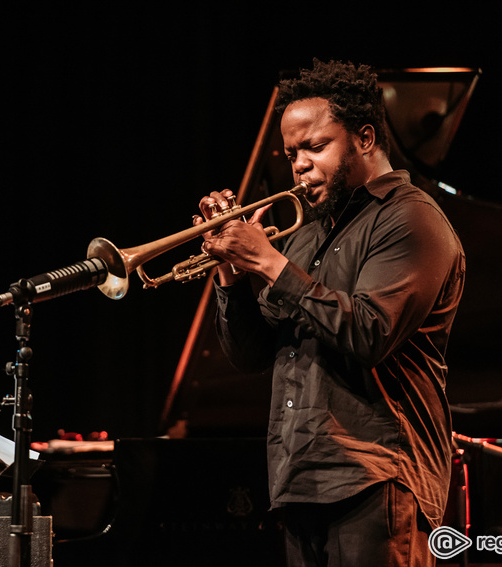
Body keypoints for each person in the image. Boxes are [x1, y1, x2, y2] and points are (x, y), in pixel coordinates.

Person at [196, 59, 466, 566]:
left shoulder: (411, 218)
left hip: (378, 477)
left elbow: (369, 332)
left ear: (365, 138)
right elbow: (253, 354)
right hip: (300, 478)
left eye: (315, 147)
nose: (298, 165)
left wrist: (270, 263)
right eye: (292, 152)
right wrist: (231, 272)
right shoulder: (308, 234)